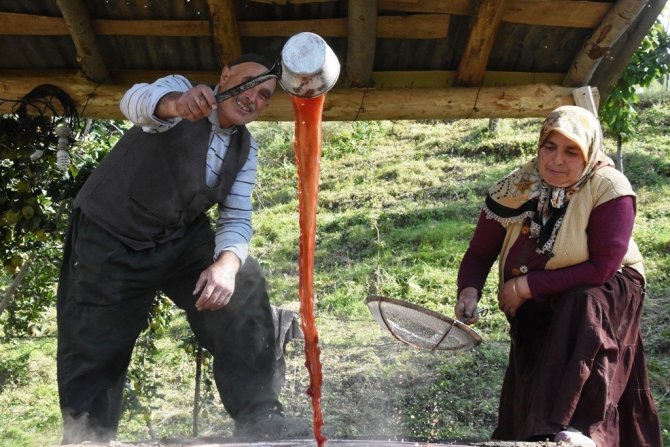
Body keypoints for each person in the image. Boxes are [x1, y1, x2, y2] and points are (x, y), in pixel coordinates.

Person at [56, 54, 311, 443]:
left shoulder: (246, 150)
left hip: (178, 239)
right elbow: (134, 102)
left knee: (243, 280)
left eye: (264, 95)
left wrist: (226, 265)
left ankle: (259, 416)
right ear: (225, 75)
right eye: (247, 84)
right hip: (110, 234)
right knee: (95, 339)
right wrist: (174, 104)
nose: (252, 98)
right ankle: (86, 437)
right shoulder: (178, 91)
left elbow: (237, 217)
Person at [454, 105, 662, 447]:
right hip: (544, 291)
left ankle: (581, 429)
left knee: (582, 304)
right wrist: (469, 291)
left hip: (609, 287)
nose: (557, 160)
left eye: (571, 151)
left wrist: (526, 285)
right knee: (534, 326)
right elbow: (479, 252)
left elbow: (602, 267)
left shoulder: (609, 186)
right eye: (549, 147)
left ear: (589, 153)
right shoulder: (517, 186)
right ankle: (536, 434)